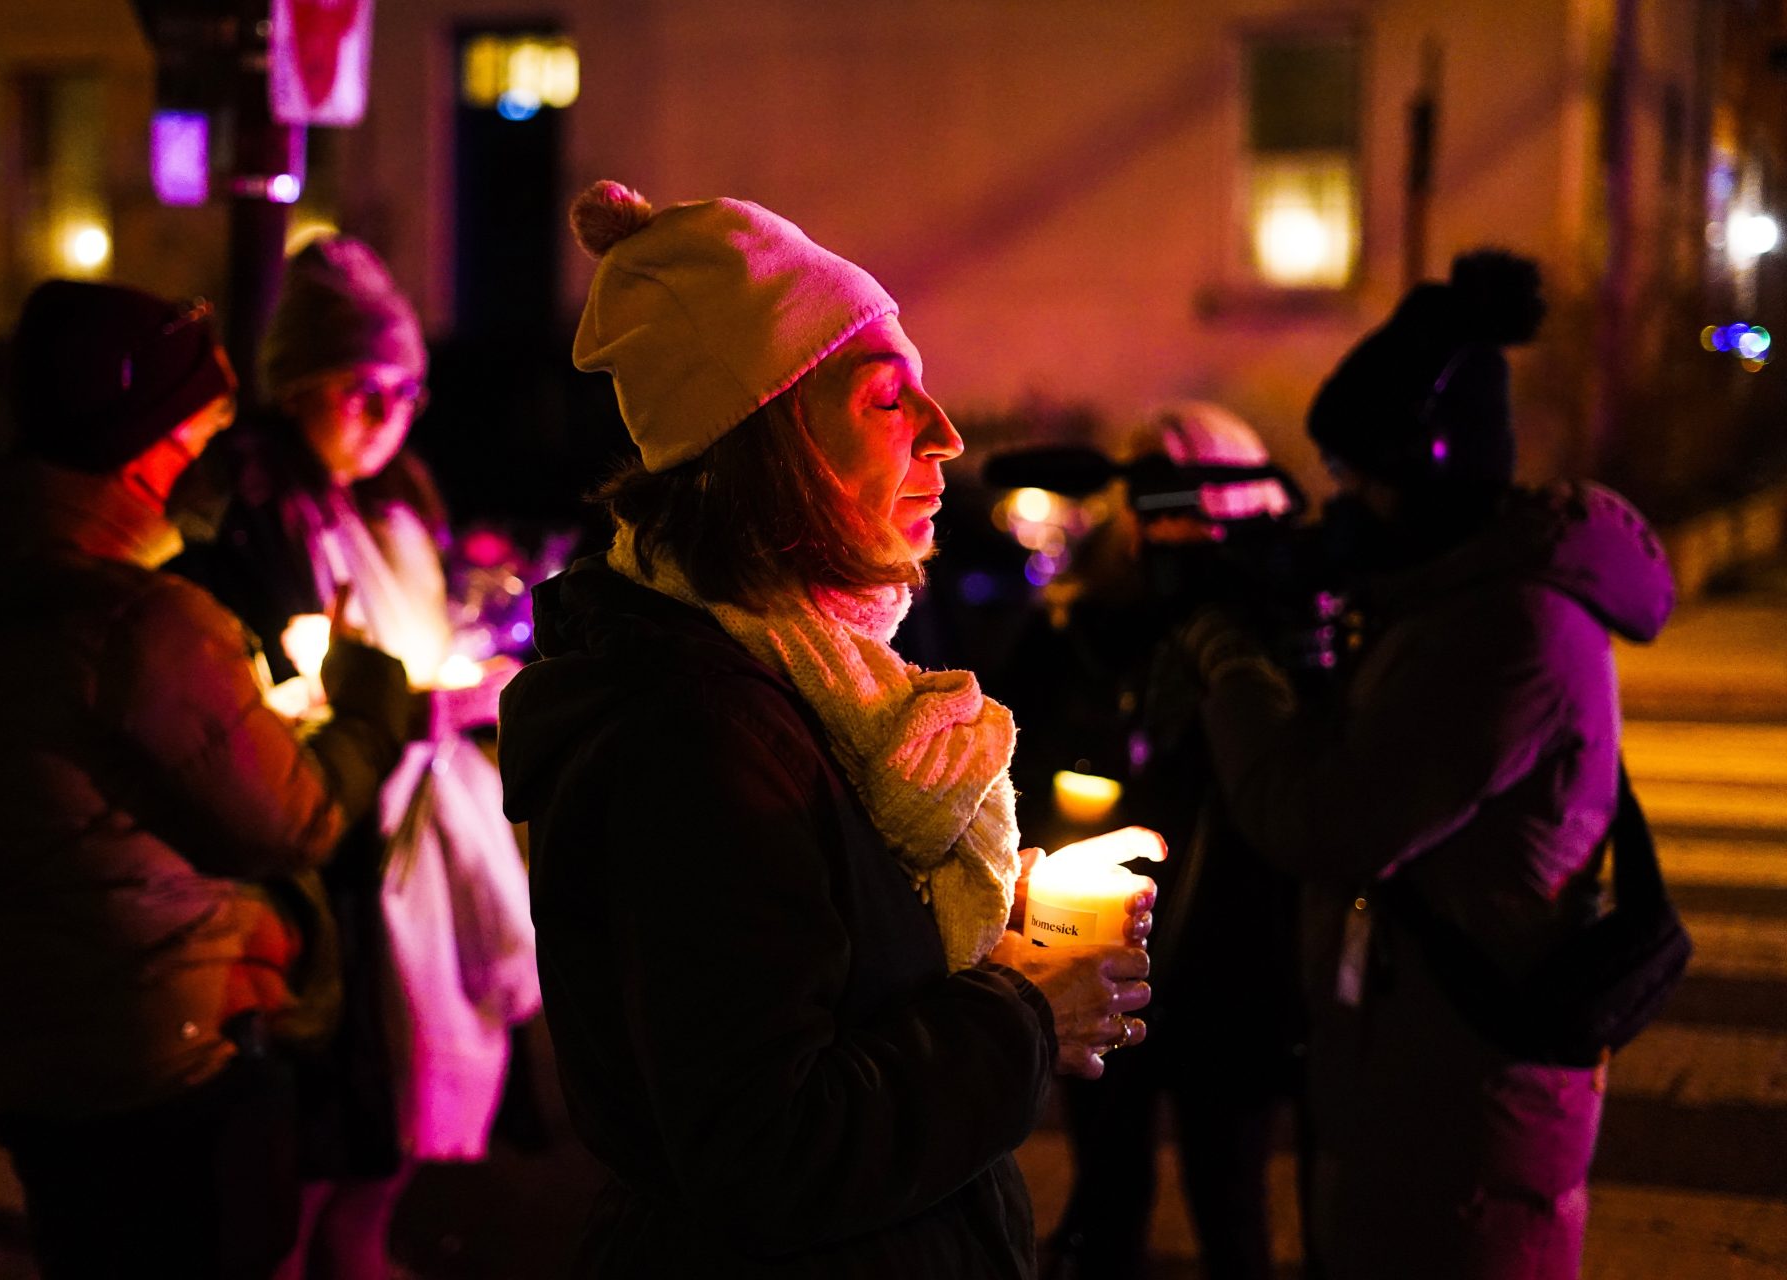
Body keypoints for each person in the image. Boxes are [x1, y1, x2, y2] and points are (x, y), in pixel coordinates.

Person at [497, 180, 1155, 1277]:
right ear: (769, 443)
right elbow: (769, 1143)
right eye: (889, 400)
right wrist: (1021, 1012)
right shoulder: (696, 734)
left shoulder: (808, 692)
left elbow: (817, 955)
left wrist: (986, 914)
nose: (945, 439)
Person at [0, 280, 414, 1278]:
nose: (207, 449)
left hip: (26, 1054)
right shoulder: (136, 621)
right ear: (145, 440)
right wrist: (375, 698)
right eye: (199, 424)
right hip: (172, 1056)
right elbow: (297, 818)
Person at [1180, 250, 1676, 1280]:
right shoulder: (1446, 604)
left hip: (1466, 1114)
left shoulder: (1509, 633)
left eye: (1363, 480)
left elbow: (1322, 815)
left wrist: (1230, 661)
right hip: (1411, 1086)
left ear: (1435, 470)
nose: (1344, 507)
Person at [173, 235, 540, 1280]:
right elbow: (281, 692)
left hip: (404, 823)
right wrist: (425, 704)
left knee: (390, 1108)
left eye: (405, 392)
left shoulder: (393, 498)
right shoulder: (252, 508)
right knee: (319, 1124)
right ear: (298, 386)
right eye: (361, 389)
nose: (386, 415)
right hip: (324, 845)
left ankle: (361, 1249)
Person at [995, 404, 1306, 1280]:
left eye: (1182, 497)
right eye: (1146, 496)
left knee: (1230, 1195)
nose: (1160, 522)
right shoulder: (1073, 622)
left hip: (1232, 962)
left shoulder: (1262, 630)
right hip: (1100, 946)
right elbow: (1003, 753)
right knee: (1108, 1189)